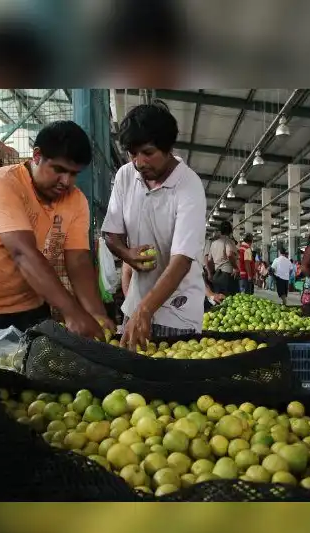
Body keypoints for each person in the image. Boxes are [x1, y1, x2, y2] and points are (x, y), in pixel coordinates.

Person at [0, 121, 112, 377]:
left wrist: (95, 312)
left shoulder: (76, 201)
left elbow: (78, 260)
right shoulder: (4, 184)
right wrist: (72, 312)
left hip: (25, 311)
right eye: (59, 170)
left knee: (27, 394)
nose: (66, 181)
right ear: (37, 156)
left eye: (74, 174)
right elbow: (23, 253)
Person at [102, 101, 206, 350]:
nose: (139, 162)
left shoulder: (188, 186)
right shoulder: (126, 176)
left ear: (168, 148)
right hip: (135, 307)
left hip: (177, 314)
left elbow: (181, 261)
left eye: (148, 153)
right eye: (132, 153)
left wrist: (146, 310)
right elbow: (111, 234)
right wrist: (127, 254)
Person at [208, 221, 240, 295]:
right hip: (227, 276)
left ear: (220, 231)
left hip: (216, 276)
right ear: (230, 231)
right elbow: (229, 254)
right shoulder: (229, 241)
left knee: (218, 300)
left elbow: (209, 260)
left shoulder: (213, 243)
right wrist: (235, 268)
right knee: (229, 301)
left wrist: (210, 273)